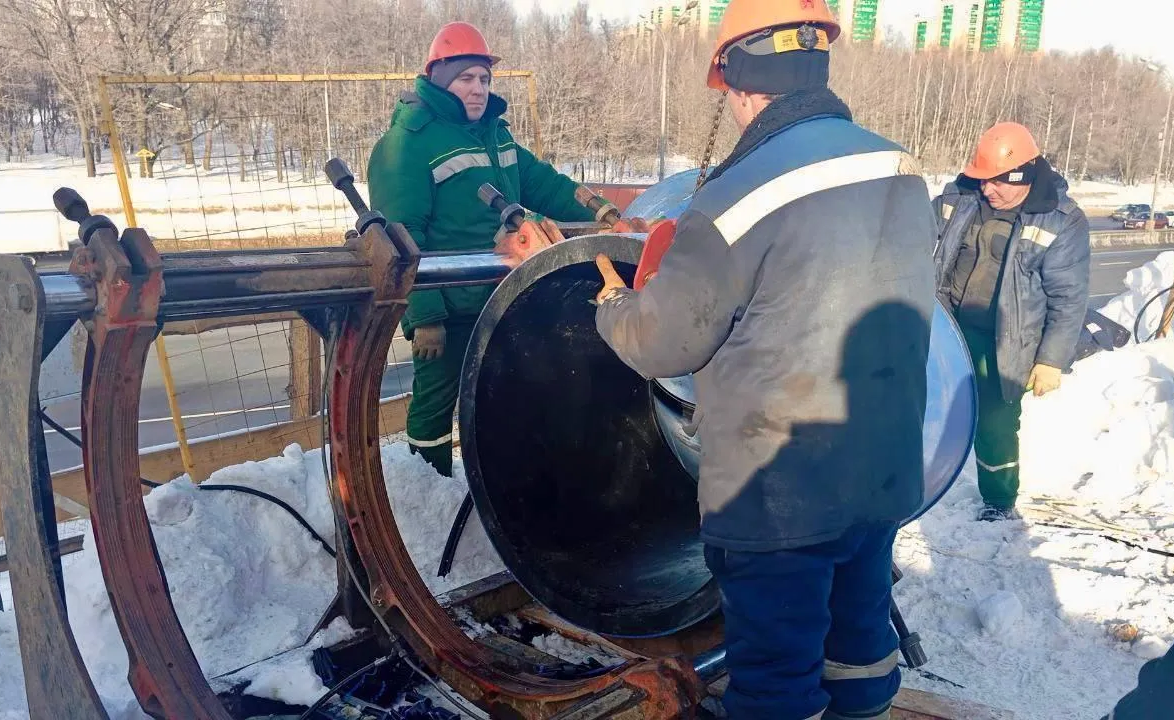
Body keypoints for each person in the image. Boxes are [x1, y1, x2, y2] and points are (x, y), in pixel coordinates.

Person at [590, 1, 937, 718]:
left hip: (779, 495)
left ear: (739, 79)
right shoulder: (898, 163)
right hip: (882, 469)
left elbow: (665, 343)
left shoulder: (735, 197)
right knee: (859, 643)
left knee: (776, 677)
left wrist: (611, 306)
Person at [367, 21, 602, 476]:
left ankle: (502, 484)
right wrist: (425, 317)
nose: (477, 89)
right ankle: (427, 483)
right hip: (448, 308)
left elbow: (543, 184)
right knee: (436, 402)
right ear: (440, 80)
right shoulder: (408, 145)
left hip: (503, 296)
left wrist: (603, 211)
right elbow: (401, 237)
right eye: (465, 78)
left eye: (484, 78)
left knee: (507, 392)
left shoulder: (497, 134)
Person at [933, 122, 1090, 522]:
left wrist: (1051, 361)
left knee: (996, 422)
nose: (988, 190)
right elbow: (915, 230)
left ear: (1023, 174)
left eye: (998, 182)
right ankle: (918, 476)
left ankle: (999, 503)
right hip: (948, 325)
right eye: (983, 181)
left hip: (1007, 341)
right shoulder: (960, 197)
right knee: (926, 401)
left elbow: (1068, 298)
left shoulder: (1060, 220)